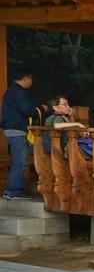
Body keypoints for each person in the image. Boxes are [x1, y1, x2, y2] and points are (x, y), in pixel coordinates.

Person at [2, 69, 39, 199]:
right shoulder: (17, 91)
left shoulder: (11, 91)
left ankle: (10, 191)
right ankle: (14, 191)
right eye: (31, 80)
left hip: (13, 130)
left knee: (19, 160)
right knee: (20, 161)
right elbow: (27, 109)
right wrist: (41, 110)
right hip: (17, 130)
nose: (31, 82)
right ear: (26, 78)